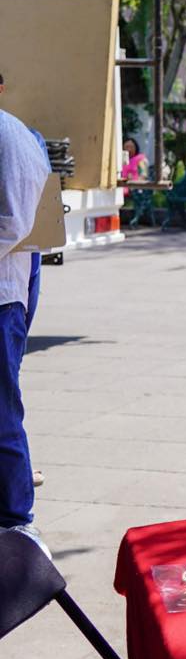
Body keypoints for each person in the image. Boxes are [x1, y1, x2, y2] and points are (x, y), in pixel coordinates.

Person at [0, 80, 51, 537]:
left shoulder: (8, 135)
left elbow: (14, 221)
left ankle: (15, 518)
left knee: (1, 413)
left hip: (0, 299)